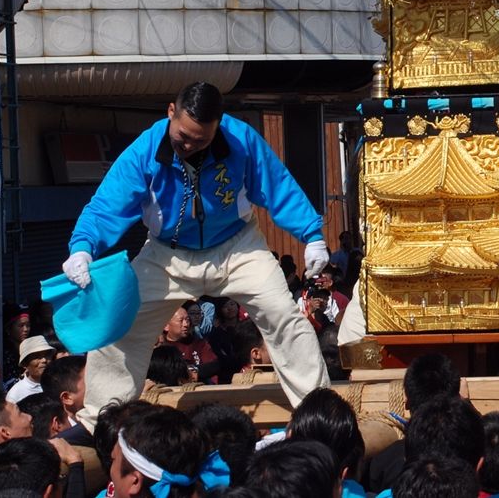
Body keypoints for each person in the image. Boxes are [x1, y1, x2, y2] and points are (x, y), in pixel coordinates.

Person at [59, 81, 334, 428]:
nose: (188, 145)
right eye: (182, 136)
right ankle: (99, 421)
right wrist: (82, 248)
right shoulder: (144, 150)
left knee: (284, 316)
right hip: (165, 254)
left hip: (238, 247)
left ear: (218, 125)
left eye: (199, 139)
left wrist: (311, 235)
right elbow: (107, 206)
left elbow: (278, 186)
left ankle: (318, 411)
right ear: (170, 113)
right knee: (120, 327)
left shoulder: (242, 140)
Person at [4, 337, 55, 405]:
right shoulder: (15, 394)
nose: (44, 360)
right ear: (25, 364)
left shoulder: (58, 383)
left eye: (46, 355)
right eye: (37, 357)